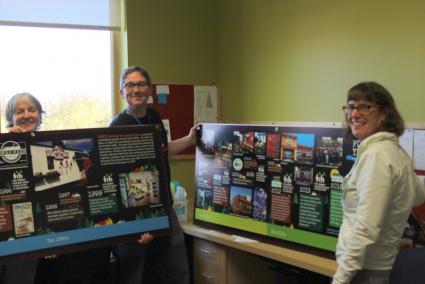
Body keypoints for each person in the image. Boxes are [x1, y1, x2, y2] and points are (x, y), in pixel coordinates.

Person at [110, 66, 198, 284]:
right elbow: (114, 179)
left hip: (164, 208)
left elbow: (162, 151)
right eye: (130, 85)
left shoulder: (154, 117)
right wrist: (138, 222)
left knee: (176, 270)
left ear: (150, 89)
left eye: (141, 84)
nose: (136, 89)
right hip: (134, 213)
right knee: (136, 275)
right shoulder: (117, 126)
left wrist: (189, 139)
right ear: (122, 92)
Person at [332, 82, 425, 284]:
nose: (354, 114)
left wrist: (340, 279)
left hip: (365, 271)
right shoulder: (395, 152)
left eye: (364, 106)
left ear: (384, 115)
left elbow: (365, 228)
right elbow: (418, 195)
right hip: (380, 266)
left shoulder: (377, 156)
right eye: (351, 106)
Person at [1, 92, 44, 284]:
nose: (27, 115)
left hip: (36, 234)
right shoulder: (2, 145)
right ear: (11, 118)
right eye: (20, 111)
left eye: (32, 109)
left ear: (40, 115)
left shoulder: (49, 144)